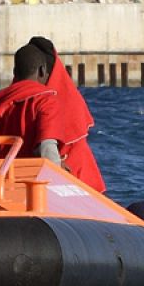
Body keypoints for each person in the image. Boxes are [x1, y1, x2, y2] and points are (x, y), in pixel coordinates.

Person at [0, 43, 86, 175]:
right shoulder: (46, 101)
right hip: (26, 181)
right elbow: (46, 149)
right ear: (42, 71)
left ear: (15, 72)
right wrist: (58, 170)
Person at [25, 36, 106, 191]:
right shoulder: (67, 100)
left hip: (69, 183)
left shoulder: (46, 102)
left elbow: (47, 147)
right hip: (81, 181)